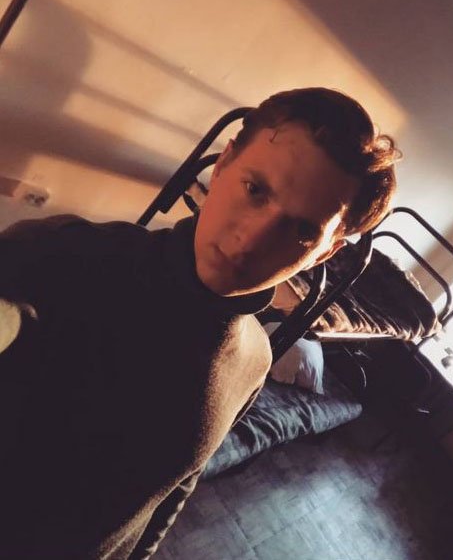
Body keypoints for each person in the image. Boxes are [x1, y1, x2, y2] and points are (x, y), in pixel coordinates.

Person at [0, 87, 399, 559]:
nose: (251, 239)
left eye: (302, 230)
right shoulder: (58, 257)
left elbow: (173, 490)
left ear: (325, 252)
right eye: (255, 190)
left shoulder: (255, 360)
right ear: (223, 164)